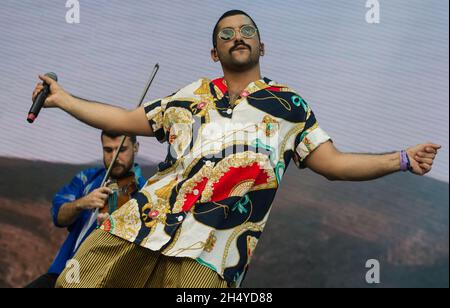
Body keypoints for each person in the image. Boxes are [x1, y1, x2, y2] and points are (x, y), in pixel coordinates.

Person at [31, 10, 441, 288]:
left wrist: (401, 159)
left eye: (247, 32)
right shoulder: (192, 94)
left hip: (213, 254)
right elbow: (123, 119)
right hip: (138, 228)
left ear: (263, 48)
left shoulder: (289, 107)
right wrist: (63, 99)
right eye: (226, 35)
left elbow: (333, 164)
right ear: (215, 53)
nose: (237, 37)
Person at [25, 131, 146, 288]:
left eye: (121, 150)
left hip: (101, 280)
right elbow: (58, 217)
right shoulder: (88, 178)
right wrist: (82, 203)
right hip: (63, 271)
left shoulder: (145, 192)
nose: (114, 157)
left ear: (135, 148)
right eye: (108, 150)